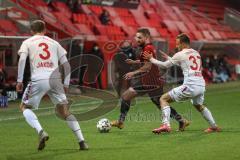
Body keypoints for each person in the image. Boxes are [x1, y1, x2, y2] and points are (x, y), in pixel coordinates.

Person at [16, 20, 88, 151]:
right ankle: (82, 141)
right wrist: (66, 83)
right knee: (65, 112)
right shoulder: (55, 43)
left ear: (31, 31)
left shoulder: (27, 42)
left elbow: (22, 60)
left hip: (38, 78)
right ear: (45, 30)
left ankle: (41, 132)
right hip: (55, 79)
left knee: (24, 107)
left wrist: (19, 80)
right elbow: (67, 65)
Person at [111, 28, 189, 131]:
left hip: (149, 81)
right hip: (151, 80)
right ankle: (182, 120)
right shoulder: (148, 47)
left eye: (139, 37)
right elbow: (146, 61)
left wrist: (133, 72)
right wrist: (135, 62)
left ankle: (120, 122)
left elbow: (147, 67)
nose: (136, 39)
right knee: (160, 103)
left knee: (126, 96)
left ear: (146, 37)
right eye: (136, 37)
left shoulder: (147, 48)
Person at [143, 33, 221, 134]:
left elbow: (164, 65)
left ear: (183, 44)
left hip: (190, 86)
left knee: (163, 99)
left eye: (178, 44)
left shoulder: (180, 54)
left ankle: (166, 125)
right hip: (201, 85)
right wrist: (171, 59)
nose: (176, 46)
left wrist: (151, 59)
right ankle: (214, 126)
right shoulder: (196, 53)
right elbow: (186, 65)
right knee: (199, 105)